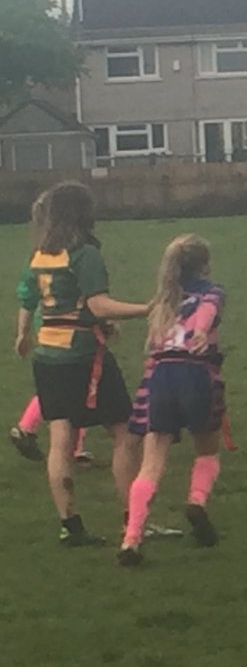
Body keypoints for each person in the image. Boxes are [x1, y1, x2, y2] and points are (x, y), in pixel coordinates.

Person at [25, 181, 147, 546]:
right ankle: (133, 521)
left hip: (47, 355)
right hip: (82, 356)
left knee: (60, 438)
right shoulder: (85, 253)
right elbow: (98, 305)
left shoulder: (42, 253)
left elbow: (63, 304)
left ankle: (70, 525)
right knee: (125, 432)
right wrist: (148, 309)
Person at [120, 235, 226, 566]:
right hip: (196, 374)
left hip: (161, 377)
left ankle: (131, 538)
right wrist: (200, 331)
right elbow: (207, 310)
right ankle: (196, 502)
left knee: (151, 462)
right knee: (207, 448)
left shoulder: (163, 300)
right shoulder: (212, 292)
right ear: (204, 264)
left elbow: (154, 347)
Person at [10, 193, 92, 464]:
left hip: (45, 326)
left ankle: (28, 427)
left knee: (59, 384)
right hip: (68, 327)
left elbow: (27, 298)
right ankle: (73, 447)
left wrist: (22, 333)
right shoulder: (75, 253)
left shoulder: (37, 255)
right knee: (78, 383)